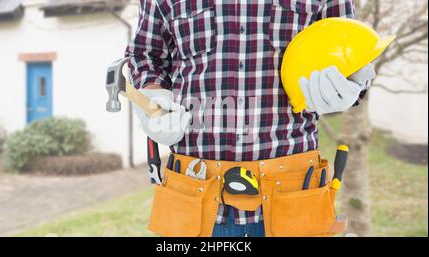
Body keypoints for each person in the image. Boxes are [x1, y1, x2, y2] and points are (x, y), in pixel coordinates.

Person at [125, 0, 375, 237]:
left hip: (294, 197)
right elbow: (146, 55)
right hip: (195, 194)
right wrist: (154, 94)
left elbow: (350, 49)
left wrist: (351, 84)